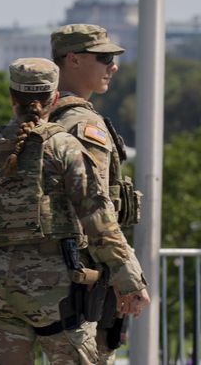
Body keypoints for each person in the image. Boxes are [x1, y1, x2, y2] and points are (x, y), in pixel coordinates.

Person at [0, 58, 149, 364]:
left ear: (12, 97)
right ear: (54, 99)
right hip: (54, 291)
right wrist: (128, 278)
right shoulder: (64, 145)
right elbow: (98, 216)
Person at [49, 23, 141, 364]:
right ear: (72, 60)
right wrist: (126, 274)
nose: (113, 67)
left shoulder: (36, 114)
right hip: (79, 274)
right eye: (104, 58)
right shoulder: (83, 125)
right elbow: (96, 208)